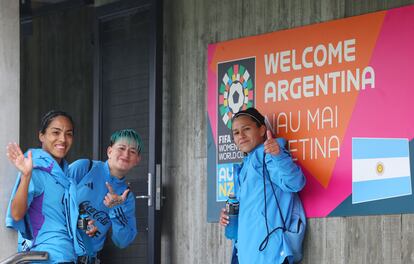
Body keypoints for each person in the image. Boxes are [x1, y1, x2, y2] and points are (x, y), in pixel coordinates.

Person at [5, 110, 96, 263]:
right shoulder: (36, 171)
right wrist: (26, 176)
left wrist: (86, 225)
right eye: (56, 132)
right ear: (42, 135)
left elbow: (62, 217)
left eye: (69, 134)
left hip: (67, 255)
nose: (63, 139)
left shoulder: (66, 177)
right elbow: (16, 214)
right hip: (46, 256)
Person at [219, 107, 306, 264]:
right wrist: (228, 216)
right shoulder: (244, 166)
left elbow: (295, 183)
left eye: (246, 129)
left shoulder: (268, 156)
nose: (241, 136)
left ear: (262, 130)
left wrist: (278, 156)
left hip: (270, 255)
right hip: (245, 253)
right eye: (236, 133)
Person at [68, 129, 142, 263]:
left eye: (132, 151)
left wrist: (116, 209)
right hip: (59, 251)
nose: (126, 154)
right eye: (121, 148)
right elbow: (53, 202)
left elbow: (122, 241)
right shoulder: (84, 167)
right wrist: (82, 222)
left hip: (87, 259)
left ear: (137, 160)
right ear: (109, 151)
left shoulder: (126, 197)